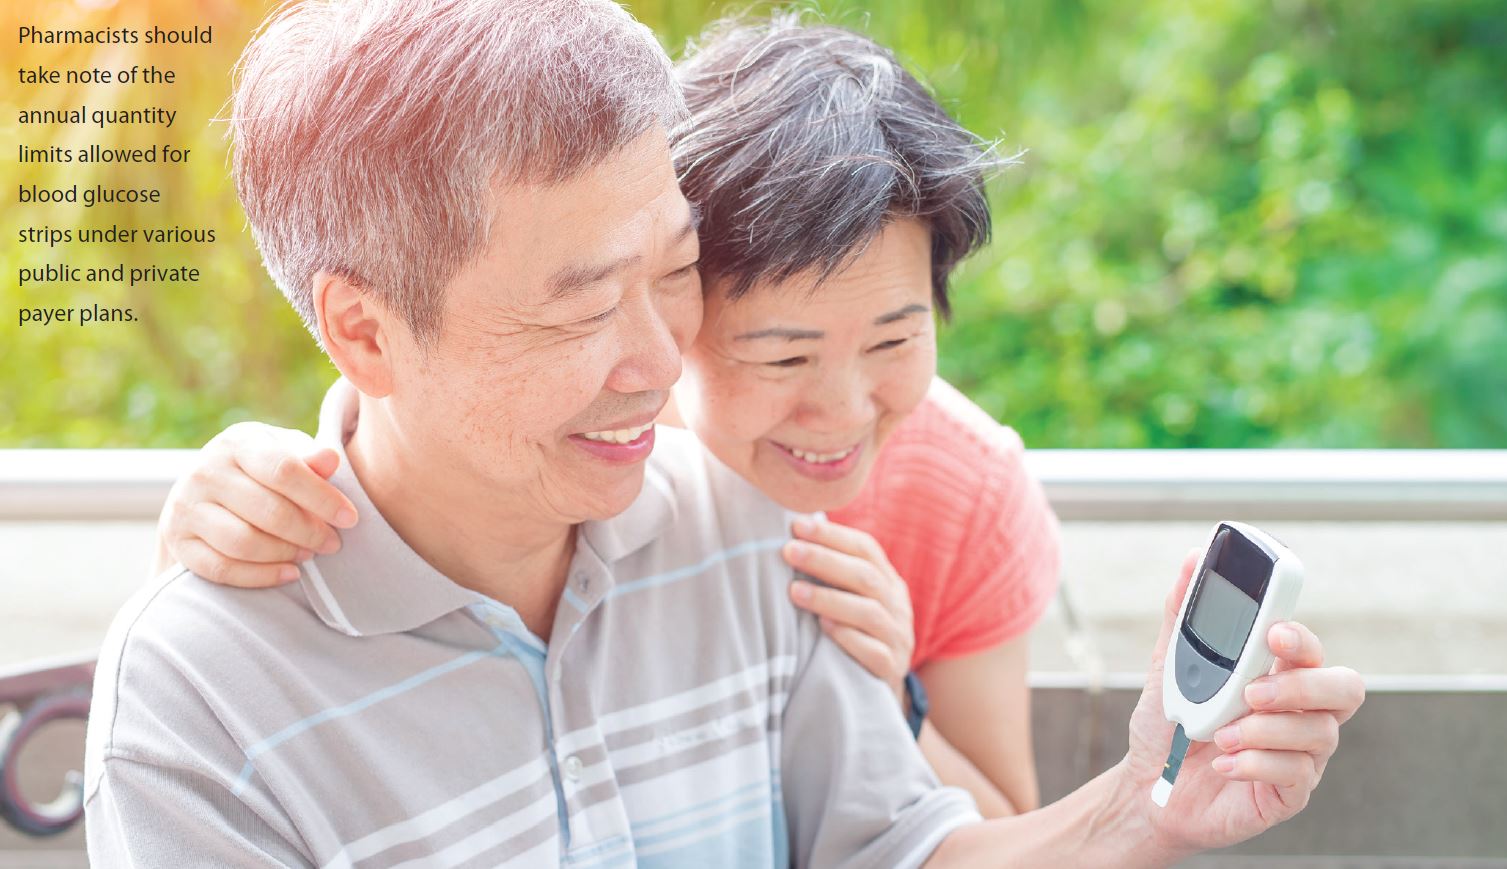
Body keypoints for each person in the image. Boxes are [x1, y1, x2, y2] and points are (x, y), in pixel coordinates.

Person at [87, 0, 1365, 866]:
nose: (657, 362)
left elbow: (903, 847)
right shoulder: (196, 696)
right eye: (584, 303)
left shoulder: (743, 523)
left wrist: (1152, 794)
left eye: (677, 271)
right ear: (363, 335)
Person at [155, 13, 1063, 817]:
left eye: (894, 342)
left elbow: (1000, 819)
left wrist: (886, 698)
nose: (838, 409)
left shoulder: (961, 490)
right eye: (779, 354)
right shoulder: (587, 423)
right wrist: (225, 508)